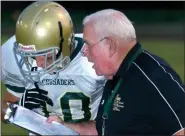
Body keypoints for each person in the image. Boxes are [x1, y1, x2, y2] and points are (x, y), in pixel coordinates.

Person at [47, 9, 185, 135]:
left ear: (110, 45)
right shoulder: (117, 75)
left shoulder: (154, 77)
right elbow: (103, 128)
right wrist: (63, 126)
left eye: (88, 44)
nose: (84, 52)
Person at [1, 1, 106, 132]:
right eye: (32, 55)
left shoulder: (94, 60)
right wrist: (16, 111)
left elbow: (119, 118)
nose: (38, 64)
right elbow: (3, 111)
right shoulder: (16, 60)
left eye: (47, 56)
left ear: (66, 44)